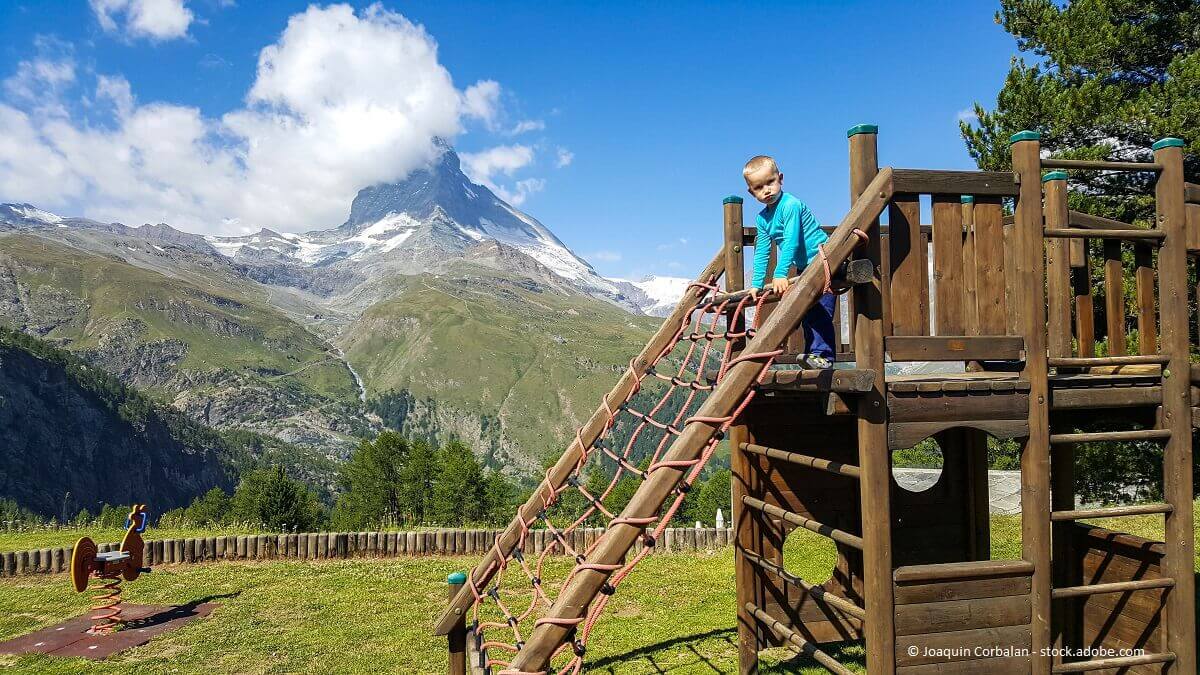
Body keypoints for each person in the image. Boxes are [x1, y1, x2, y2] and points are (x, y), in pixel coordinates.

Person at [743, 155, 836, 368]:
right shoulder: (762, 218)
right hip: (807, 266)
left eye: (770, 182)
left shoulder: (790, 205)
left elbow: (792, 241)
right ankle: (814, 356)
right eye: (758, 187)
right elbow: (762, 251)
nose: (766, 190)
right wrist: (756, 284)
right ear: (751, 192)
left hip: (827, 258)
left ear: (780, 179)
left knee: (820, 308)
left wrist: (780, 274)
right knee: (806, 309)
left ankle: (825, 357)